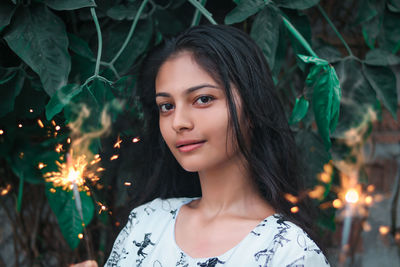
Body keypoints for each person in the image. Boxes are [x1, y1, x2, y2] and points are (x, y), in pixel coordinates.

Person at [76, 24, 330, 266]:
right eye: (167, 106)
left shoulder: (288, 251)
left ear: (252, 108)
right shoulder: (146, 223)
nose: (178, 122)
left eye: (203, 99)